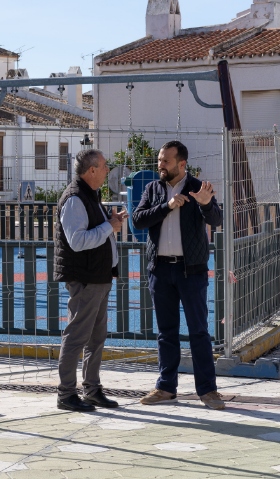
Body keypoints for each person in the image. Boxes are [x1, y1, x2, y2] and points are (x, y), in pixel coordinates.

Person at [132, 141, 224, 410]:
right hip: (160, 270)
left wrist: (206, 205)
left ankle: (208, 391)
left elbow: (216, 220)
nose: (160, 165)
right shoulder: (154, 188)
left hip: (191, 271)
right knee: (166, 333)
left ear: (182, 164)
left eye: (166, 161)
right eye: (159, 160)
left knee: (199, 332)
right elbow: (138, 220)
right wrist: (167, 206)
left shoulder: (198, 187)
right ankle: (165, 388)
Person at [54, 149, 128, 412]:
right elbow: (78, 241)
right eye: (105, 166)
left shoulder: (89, 195)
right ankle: (66, 394)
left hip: (98, 277)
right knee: (76, 336)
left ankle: (92, 390)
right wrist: (110, 226)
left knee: (96, 338)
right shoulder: (75, 199)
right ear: (92, 170)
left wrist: (110, 223)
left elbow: (96, 232)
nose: (109, 169)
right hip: (85, 279)